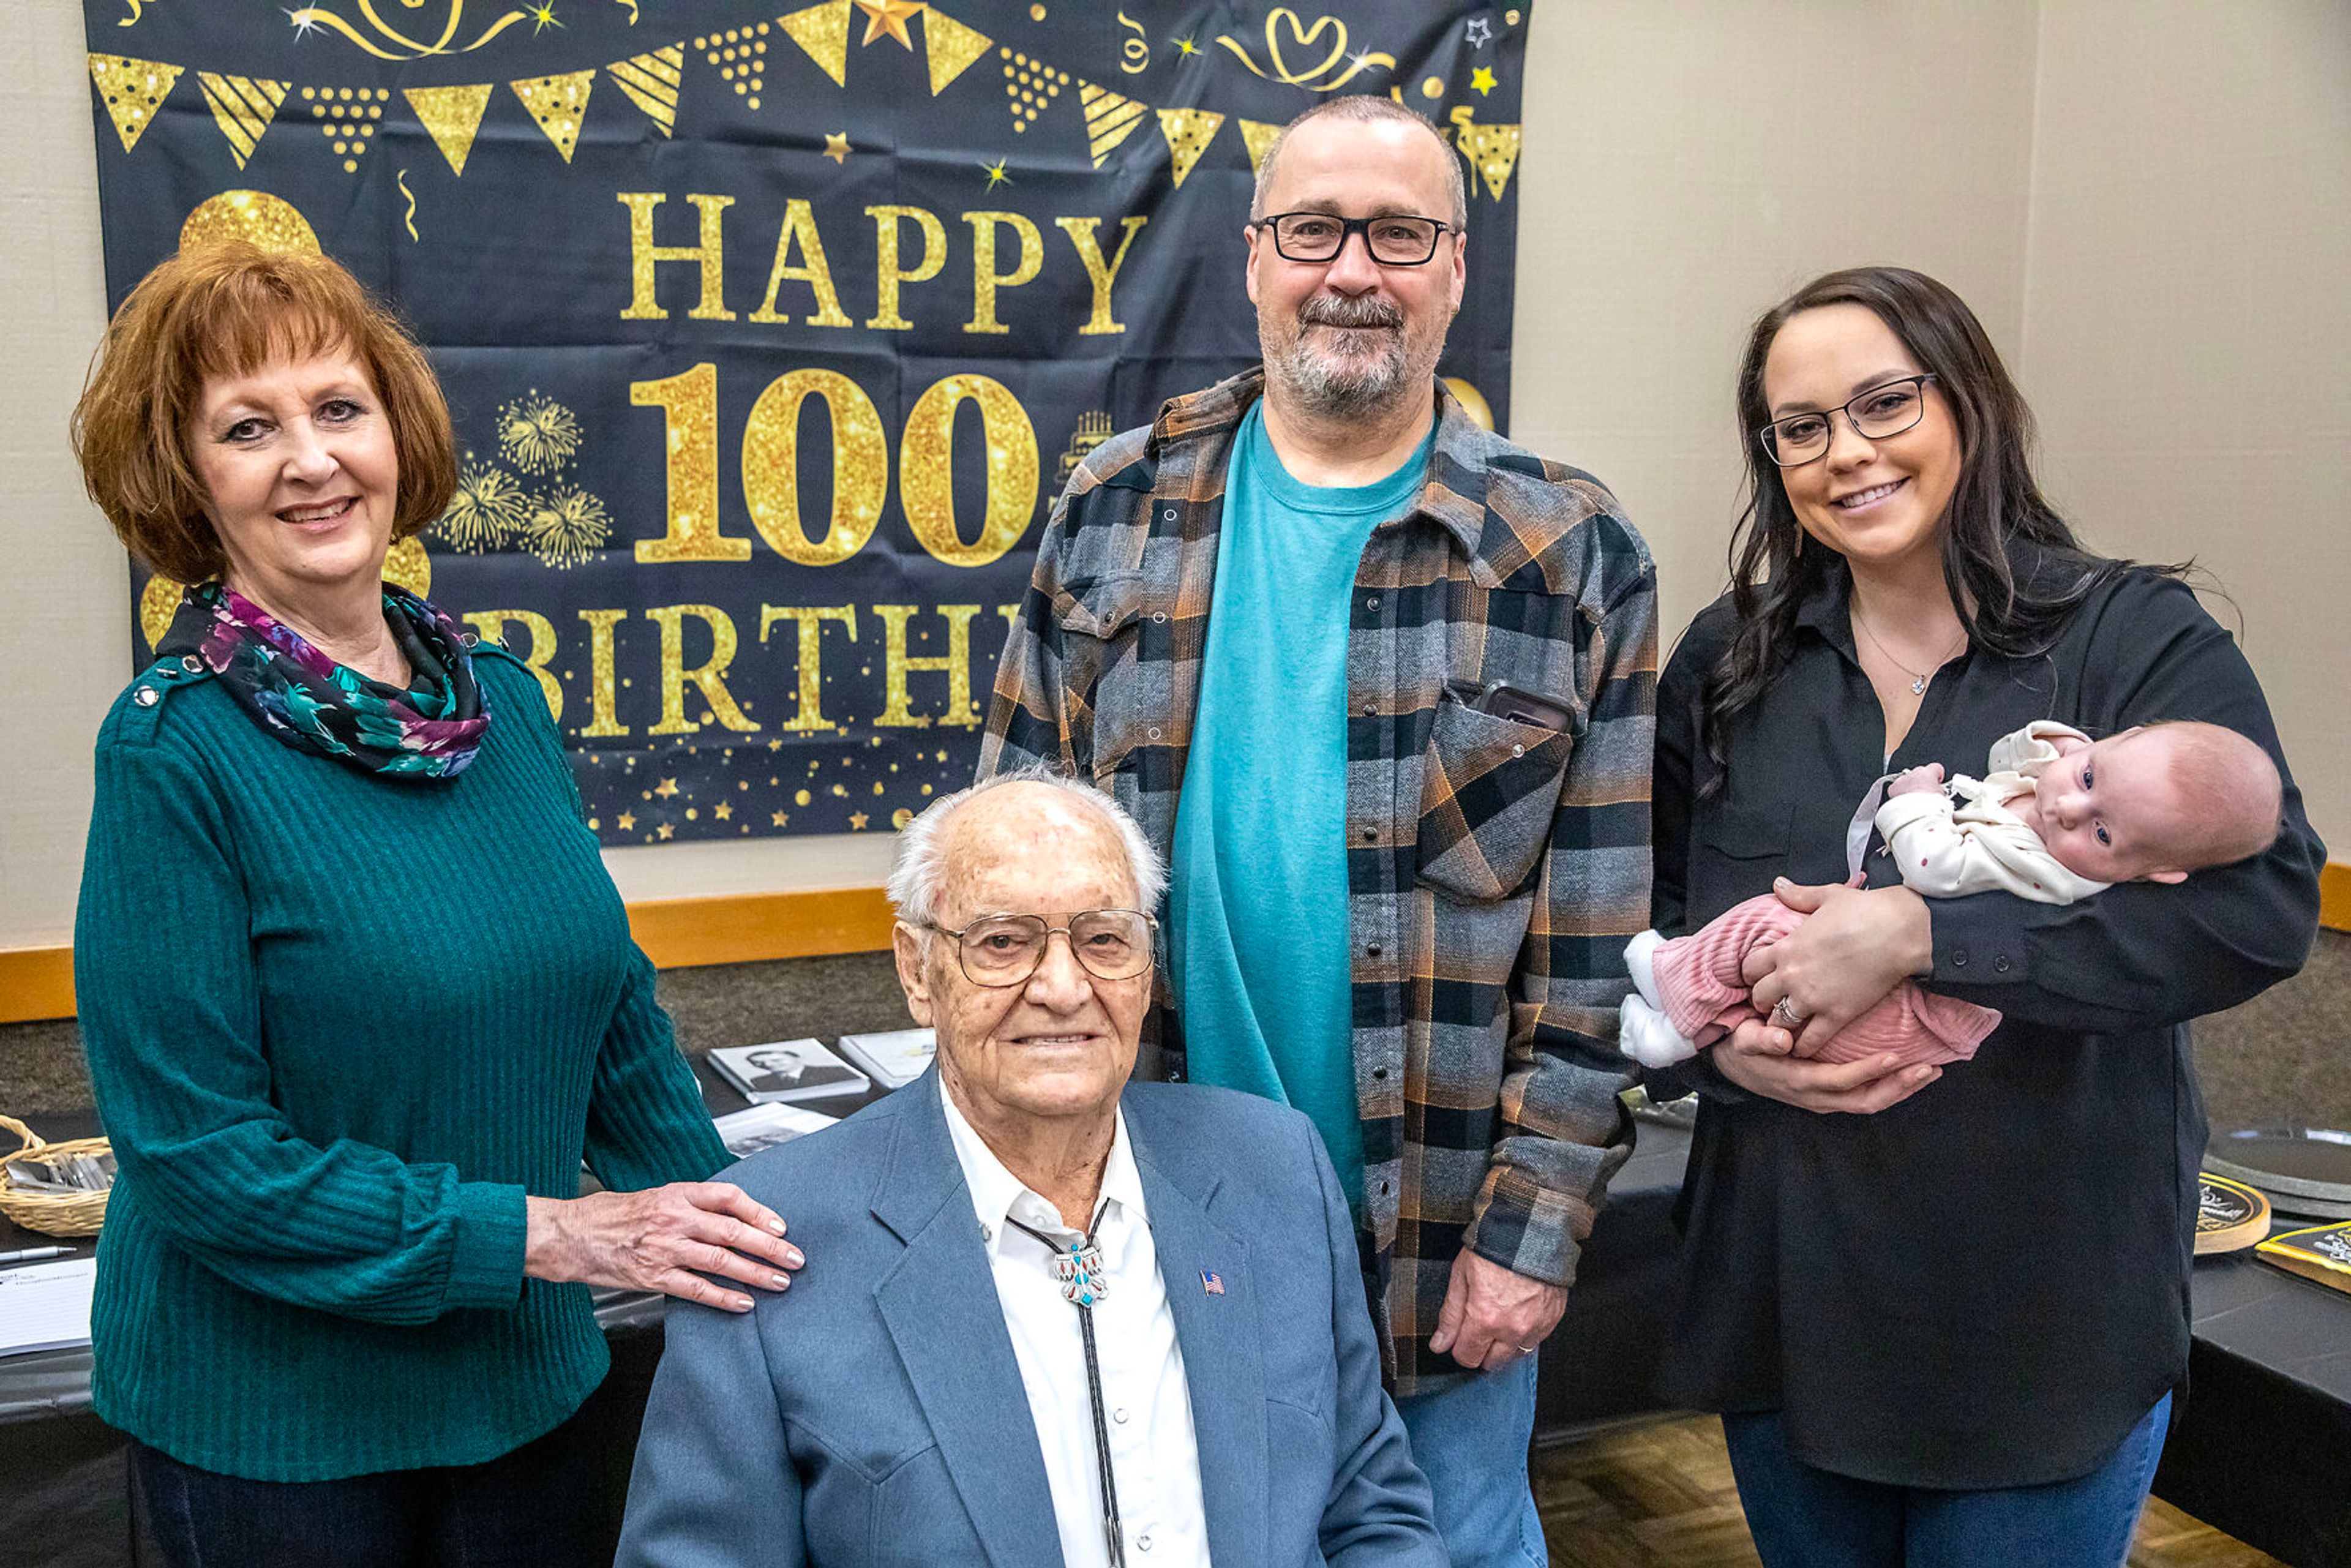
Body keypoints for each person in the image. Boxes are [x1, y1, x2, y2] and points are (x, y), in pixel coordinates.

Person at [979, 96, 1656, 1564]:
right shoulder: (1112, 510)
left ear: (1455, 269)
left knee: (1450, 1543)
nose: (1352, 267)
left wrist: (1528, 1231)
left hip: (1438, 1231)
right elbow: (1002, 879)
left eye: (1398, 232)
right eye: (1312, 230)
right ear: (1252, 259)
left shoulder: (1564, 549)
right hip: (1149, 1206)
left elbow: (1595, 942)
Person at [69, 242, 803, 1567]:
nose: (311, 459)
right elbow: (202, 1162)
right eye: (249, 428)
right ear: (189, 480)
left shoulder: (501, 702)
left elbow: (611, 1015)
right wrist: (550, 1233)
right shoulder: (170, 752)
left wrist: (742, 1235)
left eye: (338, 409)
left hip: (529, 1397)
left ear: (395, 431)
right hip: (278, 1442)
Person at [1649, 265, 2324, 1567]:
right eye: (1801, 427)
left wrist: (1923, 935)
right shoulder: (1730, 664)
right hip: (1791, 1297)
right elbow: (1657, 911)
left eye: (1884, 402)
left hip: (2038, 1317)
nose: (1846, 452)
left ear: (1966, 403)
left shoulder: (2131, 641)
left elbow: (2264, 915)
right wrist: (1717, 1050)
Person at [616, 772, 1444, 1568]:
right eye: (1003, 942)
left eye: (1103, 938)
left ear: (1147, 962)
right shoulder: (771, 1237)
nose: (1061, 986)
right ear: (917, 970)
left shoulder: (1273, 1169)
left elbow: (1372, 1507)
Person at [1619, 718, 2283, 1068]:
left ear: (2154, 871)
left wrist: (1913, 803)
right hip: (1897, 1002)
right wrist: (2046, 744)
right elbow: (2006, 767)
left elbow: (1937, 866)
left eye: (2104, 830)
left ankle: (1678, 1014)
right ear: (2115, 740)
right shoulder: (2061, 806)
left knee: (1766, 923)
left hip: (1917, 1011)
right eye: (2086, 776)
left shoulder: (2054, 868)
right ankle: (1700, 1021)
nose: (2068, 811)